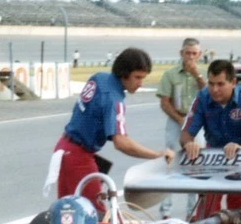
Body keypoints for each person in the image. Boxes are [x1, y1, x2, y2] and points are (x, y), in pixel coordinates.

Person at [46, 47, 174, 213]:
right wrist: (157, 155)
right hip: (79, 156)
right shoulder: (114, 100)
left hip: (65, 148)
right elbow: (121, 142)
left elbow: (93, 115)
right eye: (137, 77)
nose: (140, 83)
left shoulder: (99, 78)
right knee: (96, 213)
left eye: (143, 78)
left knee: (68, 210)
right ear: (124, 73)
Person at [181, 58, 241, 218]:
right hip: (213, 157)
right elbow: (186, 133)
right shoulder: (202, 97)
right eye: (211, 83)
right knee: (207, 212)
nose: (214, 89)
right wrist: (189, 144)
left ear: (233, 82)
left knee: (239, 214)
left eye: (220, 84)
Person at [157, 37, 207, 219]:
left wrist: (197, 75)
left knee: (196, 163)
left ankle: (192, 211)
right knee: (170, 162)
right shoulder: (171, 74)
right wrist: (180, 120)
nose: (191, 57)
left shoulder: (203, 74)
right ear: (181, 54)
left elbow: (209, 96)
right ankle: (166, 211)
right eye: (188, 53)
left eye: (194, 54)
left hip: (197, 122)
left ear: (200, 55)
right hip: (176, 119)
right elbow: (164, 102)